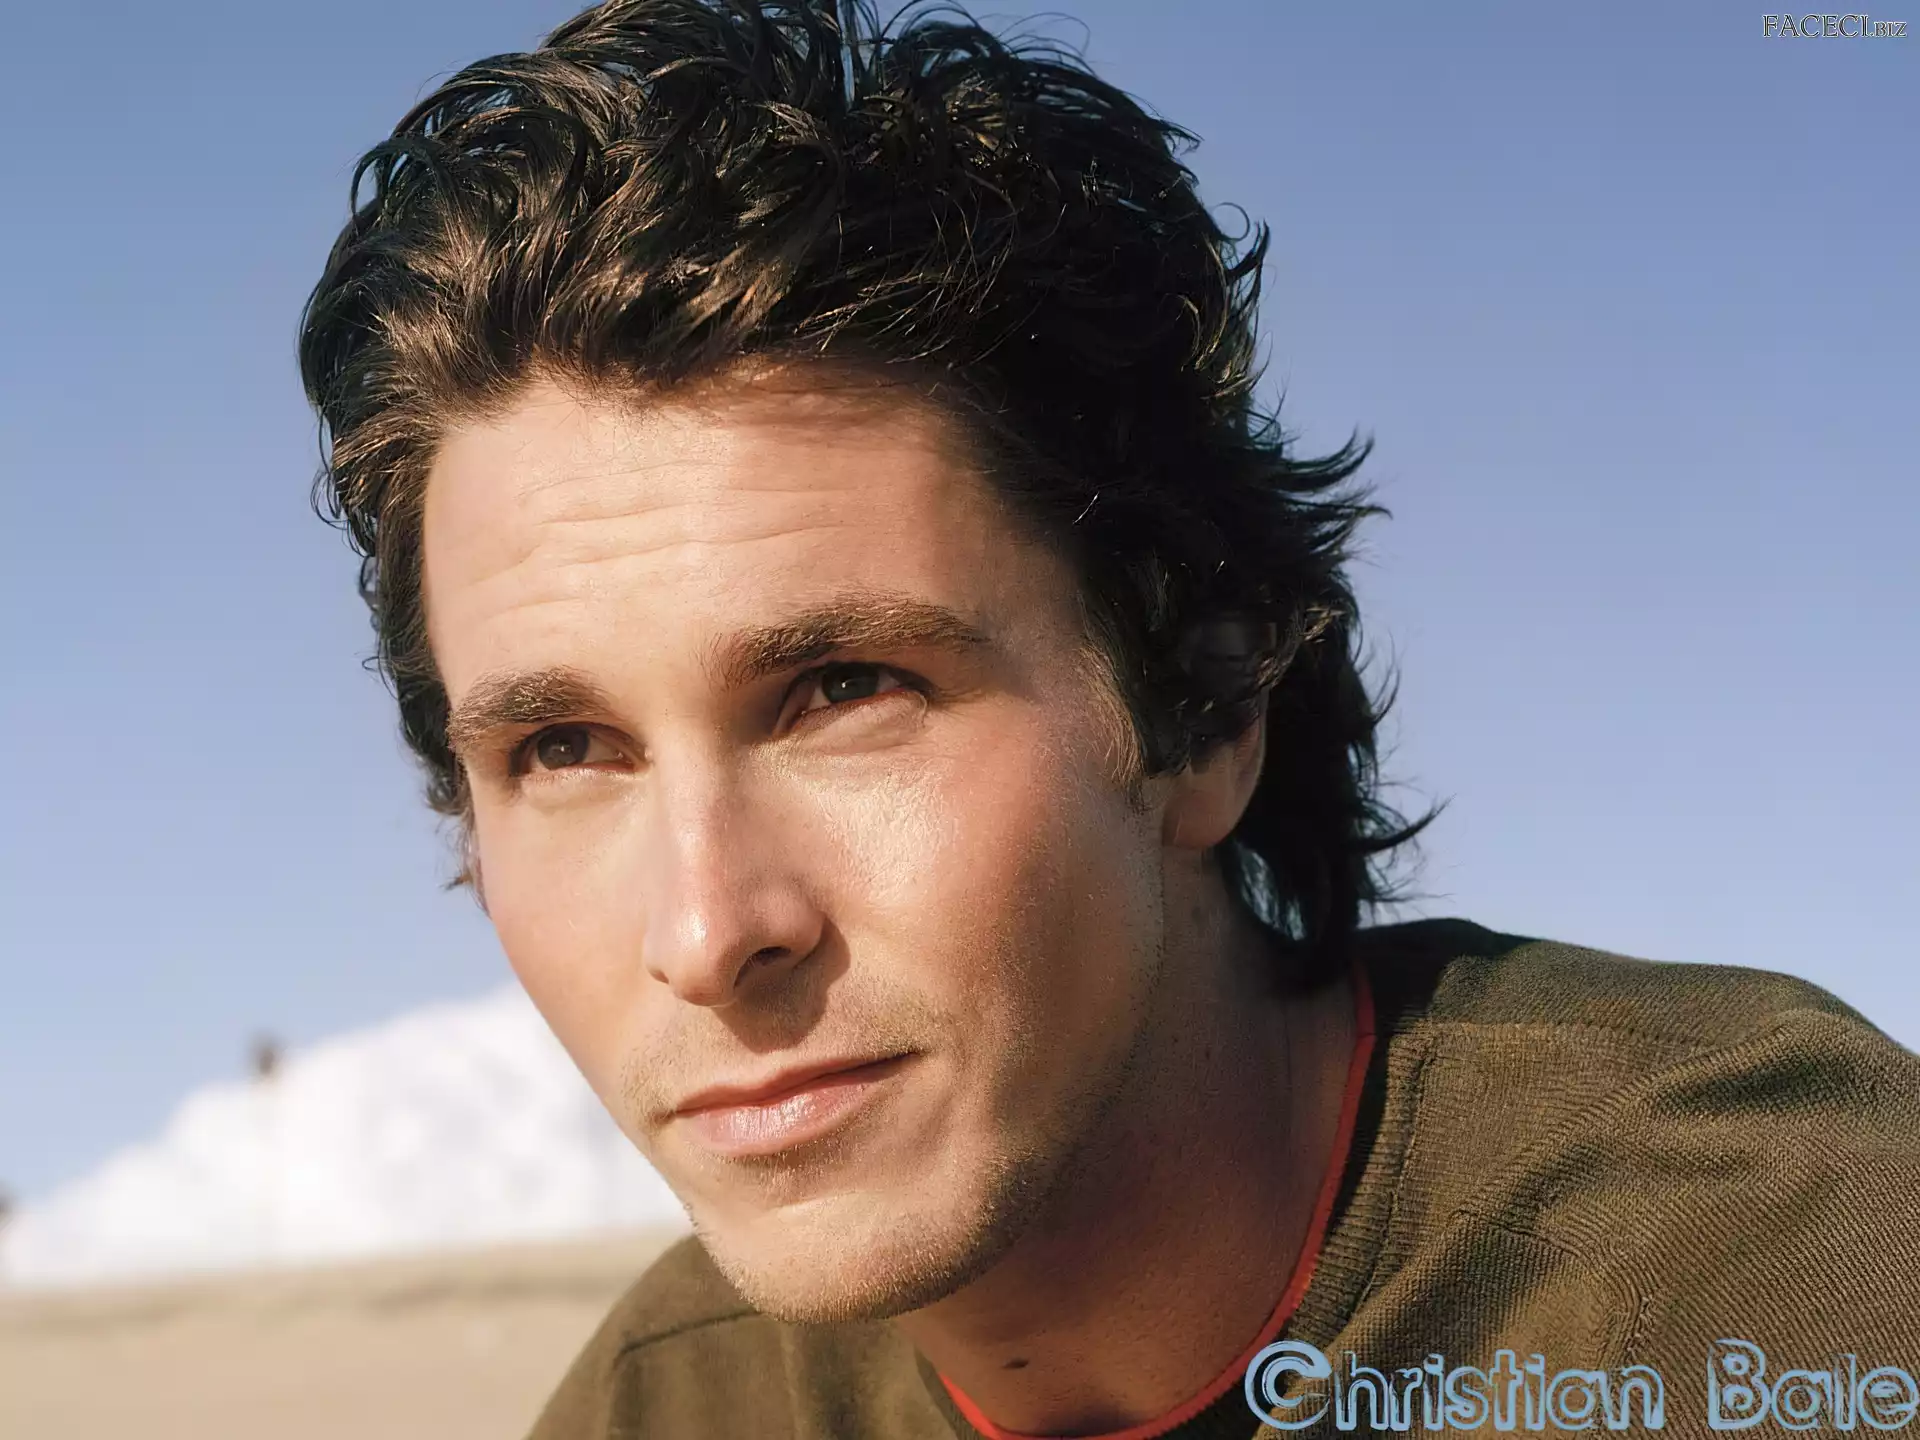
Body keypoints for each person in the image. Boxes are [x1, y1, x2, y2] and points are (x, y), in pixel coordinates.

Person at [298, 3, 1920, 1435]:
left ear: (1202, 709)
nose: (710, 933)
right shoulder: (672, 1404)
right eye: (562, 751)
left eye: (847, 690)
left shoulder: (1794, 1273)